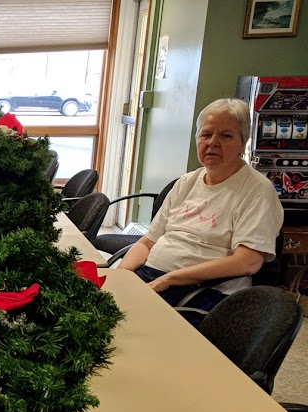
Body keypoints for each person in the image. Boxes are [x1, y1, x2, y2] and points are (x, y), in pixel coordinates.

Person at [118, 97, 284, 311]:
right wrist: (121, 275)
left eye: (225, 136)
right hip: (153, 276)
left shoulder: (257, 191)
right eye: (206, 134)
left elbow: (248, 262)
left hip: (201, 292)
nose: (213, 142)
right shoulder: (187, 182)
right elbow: (146, 243)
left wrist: (170, 279)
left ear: (242, 143)